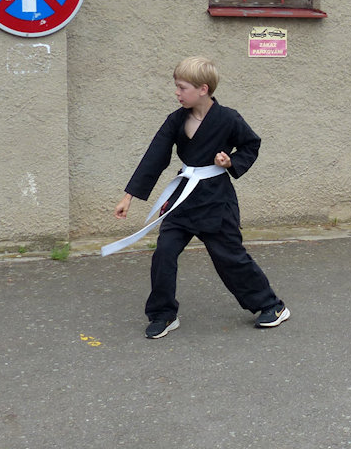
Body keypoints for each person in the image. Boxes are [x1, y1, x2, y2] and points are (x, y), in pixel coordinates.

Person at [112, 56, 290, 338]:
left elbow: (251, 144)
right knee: (164, 253)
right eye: (177, 86)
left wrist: (230, 162)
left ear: (203, 89)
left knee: (229, 257)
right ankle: (163, 314)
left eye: (182, 87)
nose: (177, 93)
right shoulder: (176, 120)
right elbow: (155, 156)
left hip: (216, 200)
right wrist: (129, 196)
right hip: (183, 199)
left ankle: (271, 305)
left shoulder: (228, 118)